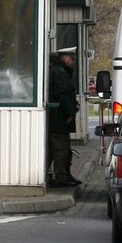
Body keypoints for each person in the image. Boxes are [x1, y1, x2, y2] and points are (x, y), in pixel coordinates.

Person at [46, 48, 80, 187]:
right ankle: (61, 176)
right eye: (71, 58)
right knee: (61, 149)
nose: (73, 61)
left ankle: (65, 174)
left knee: (60, 148)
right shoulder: (59, 73)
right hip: (59, 118)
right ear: (64, 58)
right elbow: (63, 94)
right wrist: (70, 112)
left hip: (58, 117)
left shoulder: (58, 71)